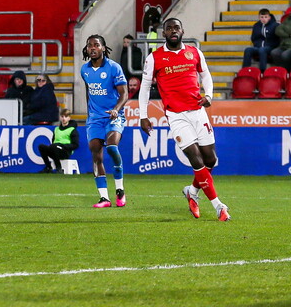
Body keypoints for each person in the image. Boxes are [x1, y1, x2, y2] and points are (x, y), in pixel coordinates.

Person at [139, 18, 230, 221]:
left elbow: (206, 76)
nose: (173, 31)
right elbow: (145, 88)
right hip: (176, 115)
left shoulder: (194, 52)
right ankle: (218, 206)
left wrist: (209, 96)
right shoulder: (154, 58)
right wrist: (143, 116)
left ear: (182, 31)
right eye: (169, 28)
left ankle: (192, 191)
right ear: (164, 33)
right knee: (195, 158)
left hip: (198, 111)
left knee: (211, 159)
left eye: (176, 28)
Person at [80, 35, 130, 208]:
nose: (92, 48)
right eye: (89, 45)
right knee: (96, 153)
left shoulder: (114, 67)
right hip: (94, 119)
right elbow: (89, 92)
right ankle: (104, 198)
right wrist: (90, 114)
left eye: (96, 45)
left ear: (103, 48)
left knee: (112, 147)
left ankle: (120, 189)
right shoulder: (84, 70)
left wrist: (116, 109)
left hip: (113, 115)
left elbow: (124, 94)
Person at [36, 108, 81, 174]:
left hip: (65, 151)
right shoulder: (56, 129)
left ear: (69, 118)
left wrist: (63, 146)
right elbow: (53, 141)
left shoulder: (72, 130)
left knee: (55, 146)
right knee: (41, 147)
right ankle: (48, 167)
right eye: (62, 116)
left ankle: (58, 168)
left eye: (66, 117)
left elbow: (75, 145)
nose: (64, 118)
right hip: (55, 149)